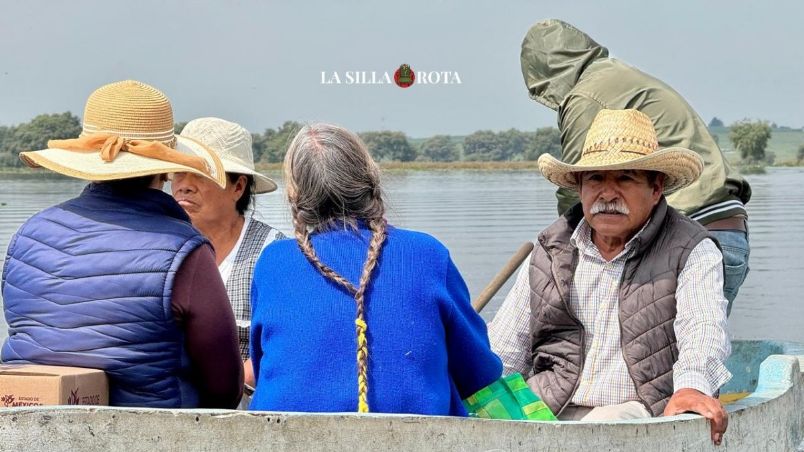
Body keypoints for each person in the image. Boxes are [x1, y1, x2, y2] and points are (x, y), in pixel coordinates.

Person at [489, 109, 730, 445]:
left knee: (608, 425)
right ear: (580, 187)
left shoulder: (692, 249)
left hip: (635, 413)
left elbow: (703, 328)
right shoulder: (550, 249)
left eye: (625, 179)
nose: (607, 194)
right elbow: (504, 348)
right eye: (596, 179)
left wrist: (692, 387)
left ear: (656, 188)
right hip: (547, 409)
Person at [1, 80, 243, 408]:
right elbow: (225, 389)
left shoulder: (27, 235)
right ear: (167, 171)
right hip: (152, 436)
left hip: (33, 428)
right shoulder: (186, 251)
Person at [248, 123, 502, 415]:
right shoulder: (427, 254)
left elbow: (265, 363)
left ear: (295, 196)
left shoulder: (273, 262)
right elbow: (479, 374)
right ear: (370, 181)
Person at [520, 19, 751, 314]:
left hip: (688, 238)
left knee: (654, 351)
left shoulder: (583, 96)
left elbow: (580, 188)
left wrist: (561, 251)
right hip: (730, 232)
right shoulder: (615, 75)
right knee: (677, 345)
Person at [171, 117, 285, 392]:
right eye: (179, 173)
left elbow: (281, 344)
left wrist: (225, 392)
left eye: (200, 174)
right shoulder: (161, 245)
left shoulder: (273, 252)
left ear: (238, 187)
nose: (184, 185)